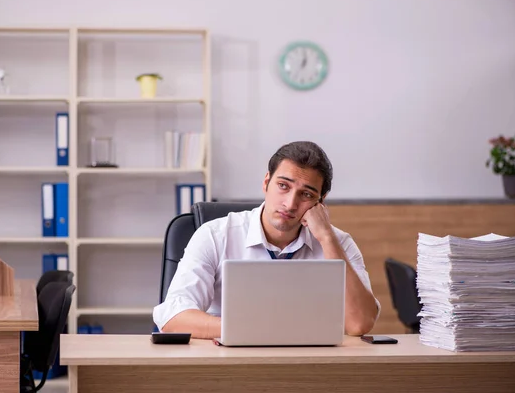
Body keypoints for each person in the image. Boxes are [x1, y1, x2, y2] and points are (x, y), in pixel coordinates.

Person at [153, 141, 380, 339]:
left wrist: (327, 239)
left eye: (307, 194)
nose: (290, 204)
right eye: (283, 186)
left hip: (307, 364)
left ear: (321, 202)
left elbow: (359, 324)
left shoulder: (339, 243)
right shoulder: (214, 234)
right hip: (228, 359)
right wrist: (247, 329)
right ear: (266, 183)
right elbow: (174, 317)